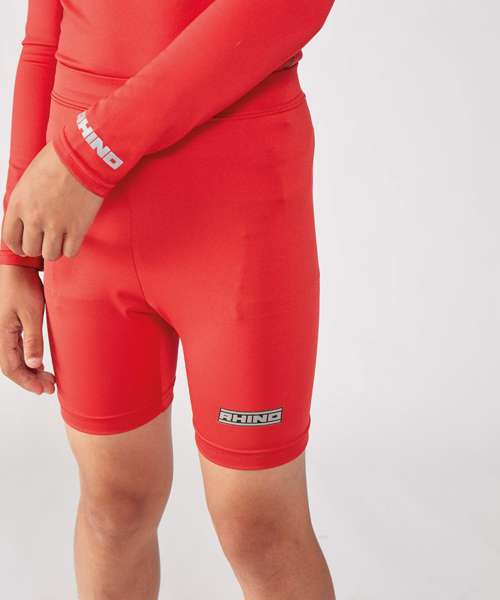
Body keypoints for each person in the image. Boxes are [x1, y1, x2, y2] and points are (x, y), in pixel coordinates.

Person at [0, 1, 336, 598]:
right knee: (115, 503)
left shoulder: (88, 157)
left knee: (258, 524)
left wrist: (90, 154)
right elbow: (43, 42)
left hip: (234, 223)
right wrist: (15, 253)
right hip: (83, 224)